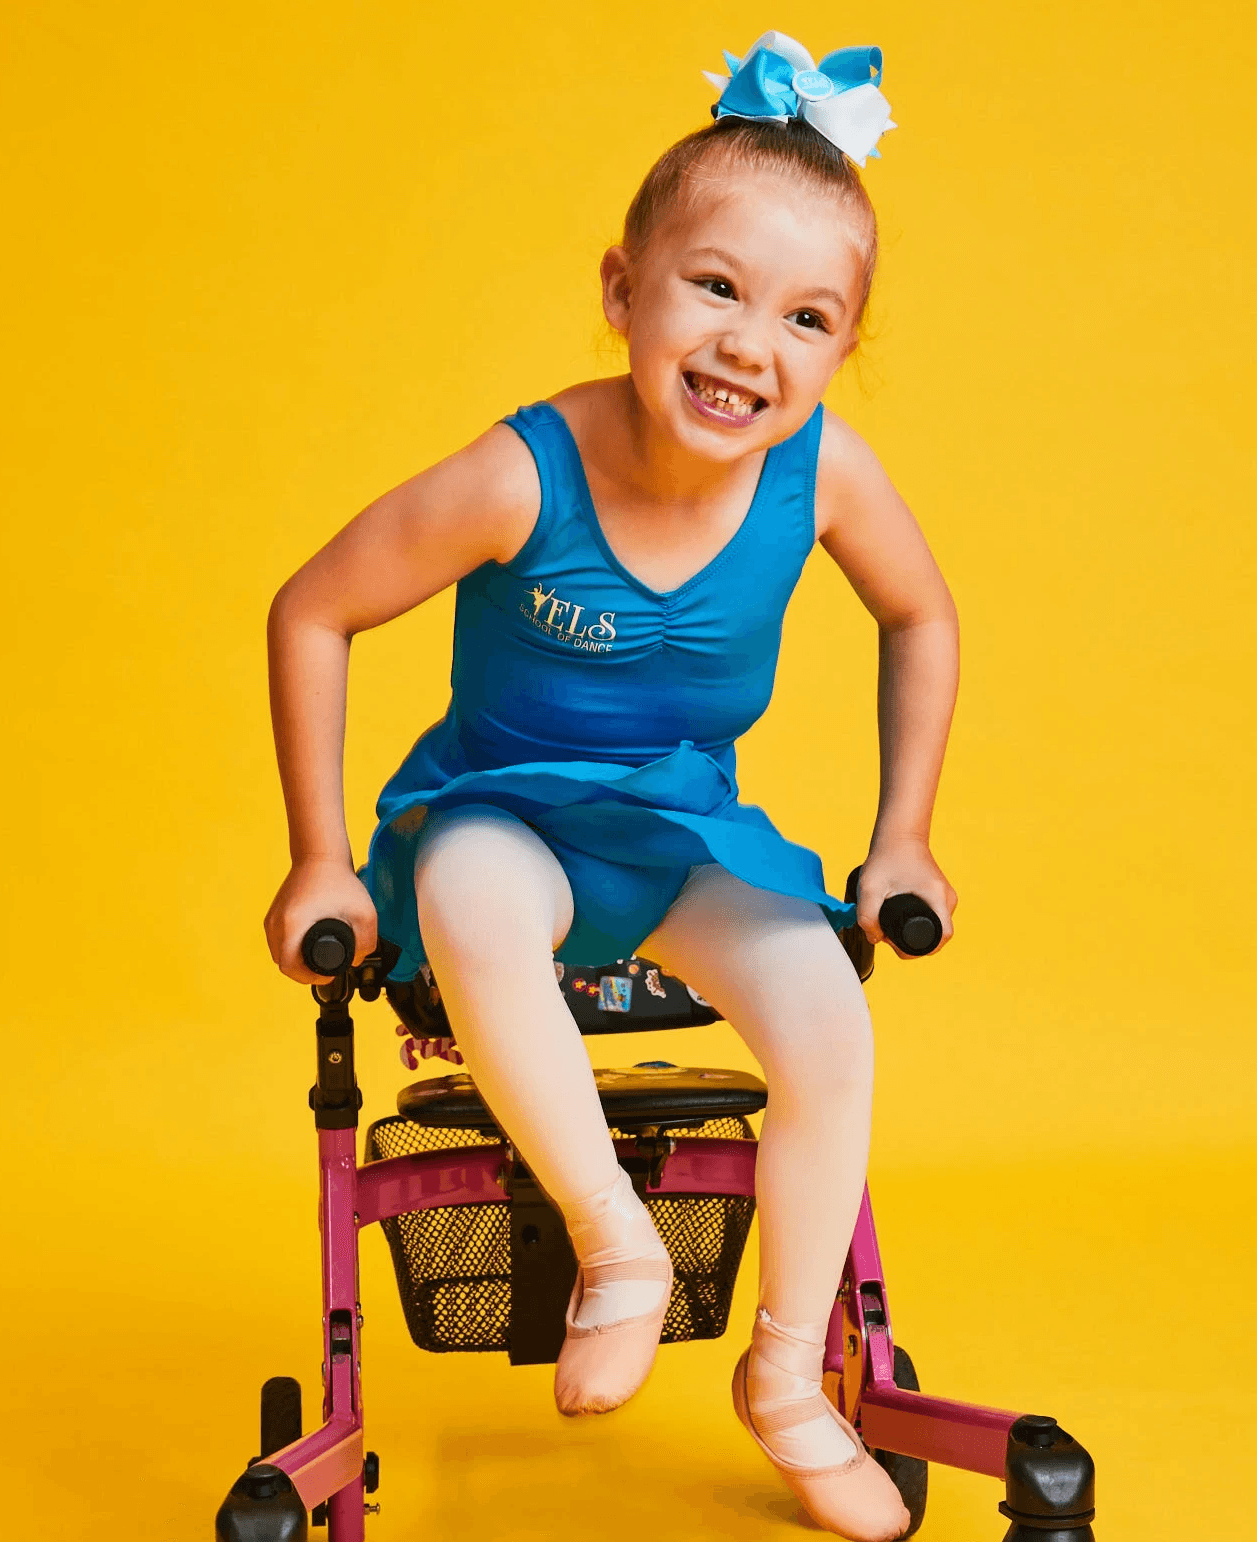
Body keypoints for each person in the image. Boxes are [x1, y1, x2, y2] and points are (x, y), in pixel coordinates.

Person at [263, 32, 958, 1542]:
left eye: (805, 315)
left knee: (829, 1014)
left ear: (841, 351)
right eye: (712, 286)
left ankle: (788, 1382)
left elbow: (922, 614)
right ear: (621, 288)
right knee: (466, 886)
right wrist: (320, 859)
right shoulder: (524, 474)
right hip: (503, 808)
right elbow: (311, 607)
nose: (746, 344)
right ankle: (616, 1241)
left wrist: (903, 833)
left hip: (674, 825)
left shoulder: (824, 473)